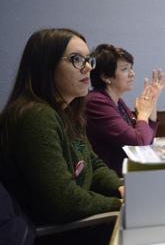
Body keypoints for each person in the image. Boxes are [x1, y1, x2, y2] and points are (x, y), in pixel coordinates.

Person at [0, 29, 123, 232]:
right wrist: (120, 204)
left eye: (88, 60)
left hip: (77, 223)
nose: (87, 68)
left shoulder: (68, 112)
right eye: (76, 59)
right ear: (46, 65)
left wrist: (119, 189)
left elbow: (93, 164)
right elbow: (63, 203)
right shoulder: (37, 116)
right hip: (57, 233)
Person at [86, 44, 165, 176]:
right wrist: (143, 114)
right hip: (110, 182)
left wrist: (153, 99)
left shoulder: (116, 101)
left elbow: (147, 139)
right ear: (106, 77)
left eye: (131, 68)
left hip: (125, 175)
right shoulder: (96, 102)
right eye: (125, 69)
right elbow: (138, 143)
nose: (132, 74)